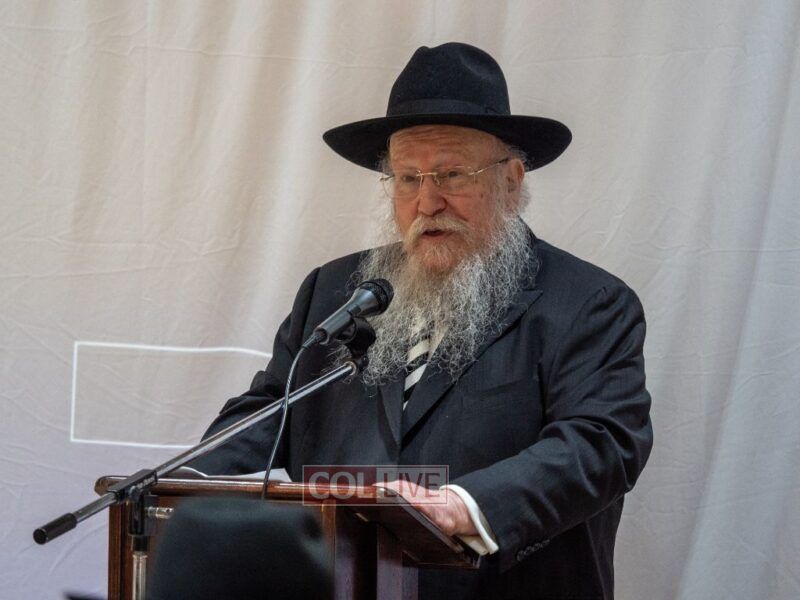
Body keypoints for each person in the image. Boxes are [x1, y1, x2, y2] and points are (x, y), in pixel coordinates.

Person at [190, 42, 653, 600]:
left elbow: (601, 444)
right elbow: (271, 411)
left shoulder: (588, 303)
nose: (427, 202)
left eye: (451, 174)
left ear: (511, 180)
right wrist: (190, 483)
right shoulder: (335, 292)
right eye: (407, 178)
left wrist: (465, 505)